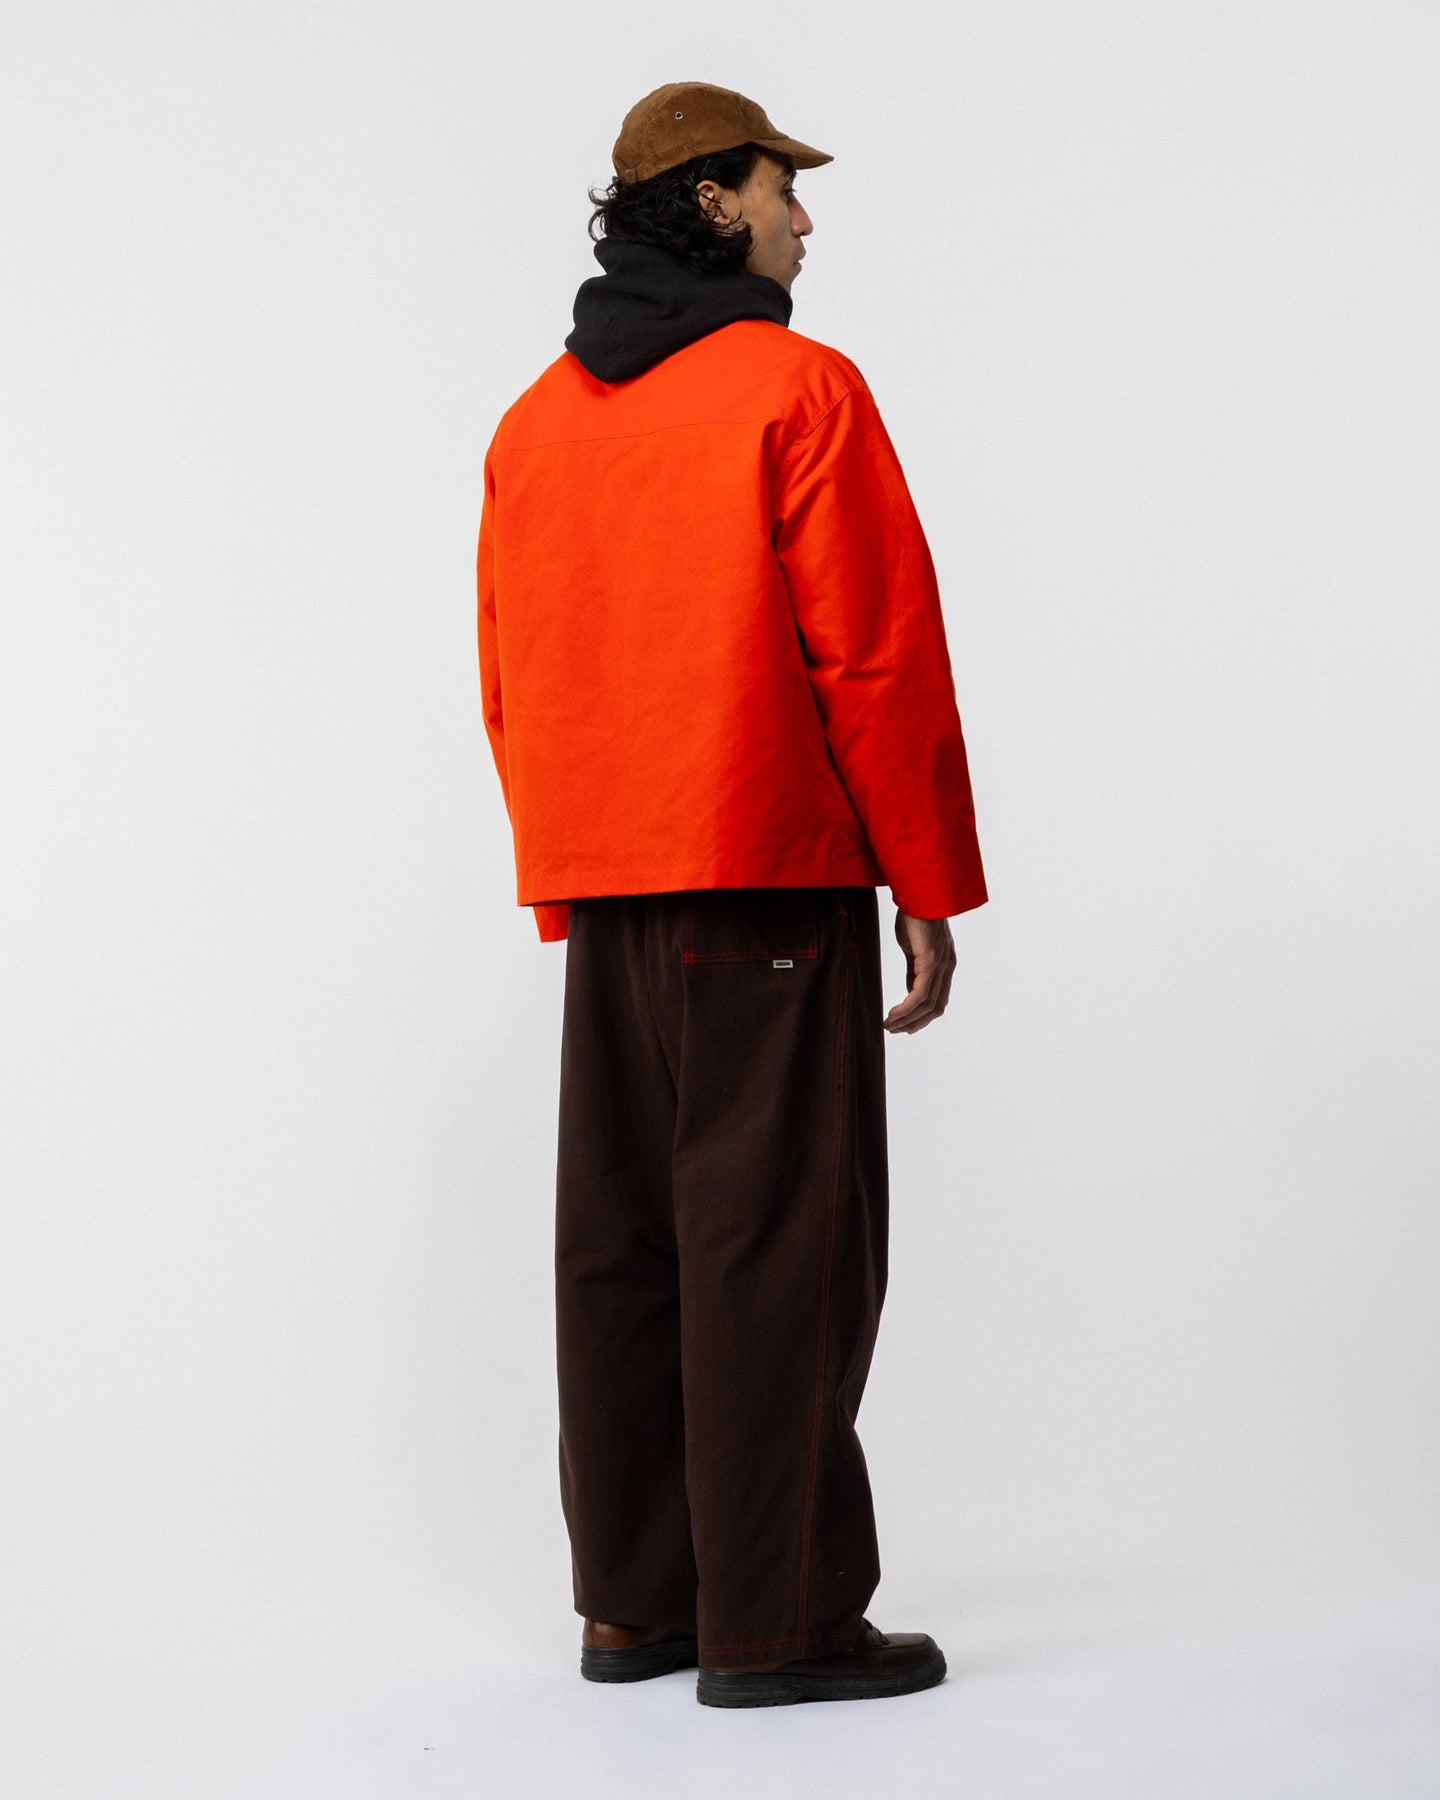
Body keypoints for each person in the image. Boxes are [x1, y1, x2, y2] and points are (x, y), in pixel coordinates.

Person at [475, 80, 988, 1708]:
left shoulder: (536, 421)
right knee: (776, 1242)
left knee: (621, 1242)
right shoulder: (798, 390)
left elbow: (509, 673)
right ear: (711, 200)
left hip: (609, 885)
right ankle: (779, 1623)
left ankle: (635, 1608)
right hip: (764, 873)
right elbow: (875, 656)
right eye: (782, 188)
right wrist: (926, 879)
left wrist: (564, 876)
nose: (803, 219)